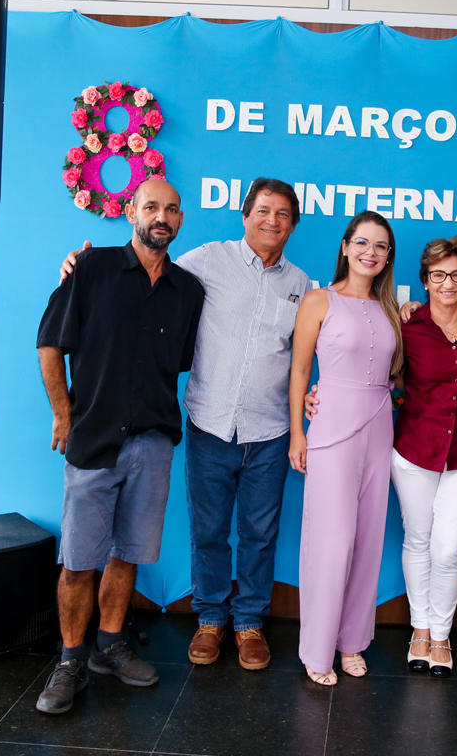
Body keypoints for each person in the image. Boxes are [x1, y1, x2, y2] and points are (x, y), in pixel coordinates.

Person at [61, 178, 310, 671]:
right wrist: (79, 266)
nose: (272, 221)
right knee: (209, 531)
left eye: (283, 214)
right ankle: (211, 618)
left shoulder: (301, 285)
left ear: (292, 225)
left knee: (260, 535)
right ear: (246, 215)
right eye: (263, 211)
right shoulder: (207, 260)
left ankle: (250, 623)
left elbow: (316, 345)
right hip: (210, 425)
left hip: (270, 430)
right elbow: (149, 268)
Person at [36, 179, 204, 715]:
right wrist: (63, 413)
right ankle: (70, 660)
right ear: (132, 212)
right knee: (78, 561)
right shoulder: (90, 268)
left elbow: (179, 362)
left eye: (171, 209)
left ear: (180, 220)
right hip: (94, 439)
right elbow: (49, 344)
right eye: (151, 206)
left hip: (153, 442)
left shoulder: (188, 290)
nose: (161, 217)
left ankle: (109, 646)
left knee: (128, 552)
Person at [306, 237, 457, 679]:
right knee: (418, 539)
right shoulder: (405, 324)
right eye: (438, 275)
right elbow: (371, 372)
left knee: (449, 548)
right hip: (414, 449)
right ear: (425, 280)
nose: (448, 283)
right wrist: (322, 393)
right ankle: (420, 631)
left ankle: (442, 635)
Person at [288, 211, 402, 686]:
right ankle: (317, 650)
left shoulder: (392, 308)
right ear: (345, 246)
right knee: (330, 542)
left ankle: (352, 641)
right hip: (331, 427)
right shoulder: (319, 300)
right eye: (362, 242)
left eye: (380, 246)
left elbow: (397, 373)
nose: (369, 252)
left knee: (368, 540)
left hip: (379, 428)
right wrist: (297, 433)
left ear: (388, 256)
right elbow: (299, 371)